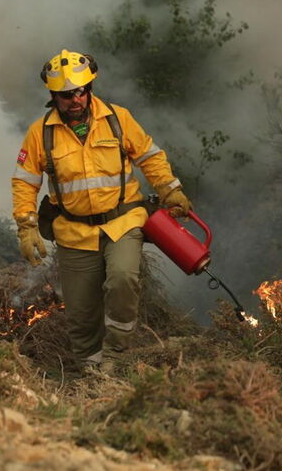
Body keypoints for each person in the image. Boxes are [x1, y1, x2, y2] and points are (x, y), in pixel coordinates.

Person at [11, 49, 191, 373]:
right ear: (53, 95)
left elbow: (149, 156)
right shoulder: (41, 133)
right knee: (80, 312)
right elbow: (24, 182)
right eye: (66, 95)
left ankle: (118, 358)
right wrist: (26, 227)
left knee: (123, 278)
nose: (75, 100)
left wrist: (170, 189)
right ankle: (91, 371)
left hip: (123, 221)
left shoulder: (117, 118)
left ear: (89, 87)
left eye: (81, 91)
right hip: (74, 230)